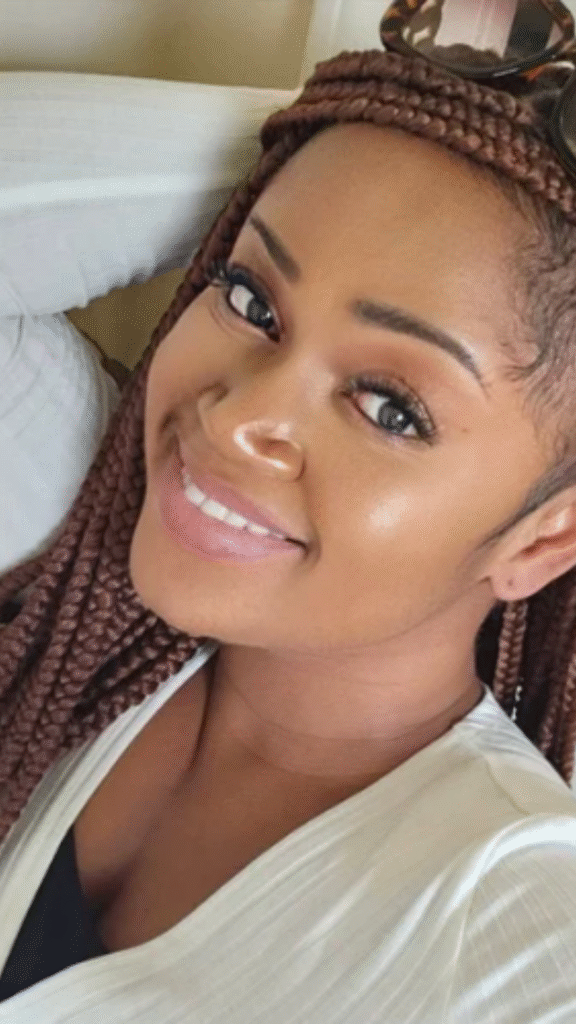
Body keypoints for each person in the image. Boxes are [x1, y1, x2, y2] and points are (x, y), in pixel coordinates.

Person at [2, 7, 576, 1021]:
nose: (234, 420)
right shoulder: (83, 582)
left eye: (389, 407)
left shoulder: (522, 937)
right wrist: (367, 119)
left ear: (547, 536)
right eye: (250, 298)